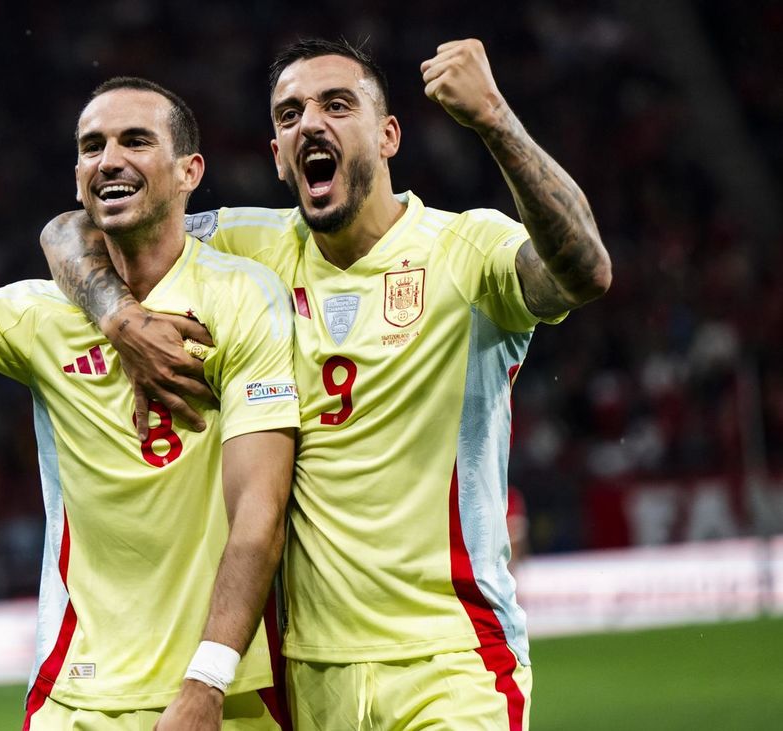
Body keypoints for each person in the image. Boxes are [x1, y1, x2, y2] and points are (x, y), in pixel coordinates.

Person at [40, 38, 612, 730]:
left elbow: (584, 271)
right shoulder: (249, 248)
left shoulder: (466, 249)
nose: (309, 122)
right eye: (289, 114)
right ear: (278, 155)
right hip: (311, 673)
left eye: (336, 105)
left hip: (453, 656)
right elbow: (73, 228)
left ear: (388, 135)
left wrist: (493, 116)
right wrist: (121, 318)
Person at [0, 71, 301, 730]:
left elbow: (259, 512)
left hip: (224, 695)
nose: (110, 159)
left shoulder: (243, 297)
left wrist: (206, 680)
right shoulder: (37, 313)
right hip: (77, 696)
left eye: (135, 140)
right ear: (77, 180)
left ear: (190, 171)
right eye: (92, 146)